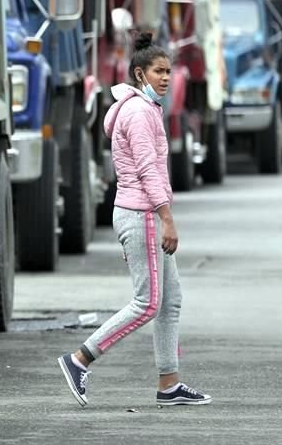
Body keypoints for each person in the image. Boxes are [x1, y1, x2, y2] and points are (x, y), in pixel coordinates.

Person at [57, 32, 212, 407]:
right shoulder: (140, 112)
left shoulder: (142, 108)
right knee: (147, 302)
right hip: (141, 214)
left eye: (168, 71)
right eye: (159, 71)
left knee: (170, 300)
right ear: (140, 74)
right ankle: (79, 359)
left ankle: (169, 384)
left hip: (141, 213)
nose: (165, 78)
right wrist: (167, 218)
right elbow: (148, 169)